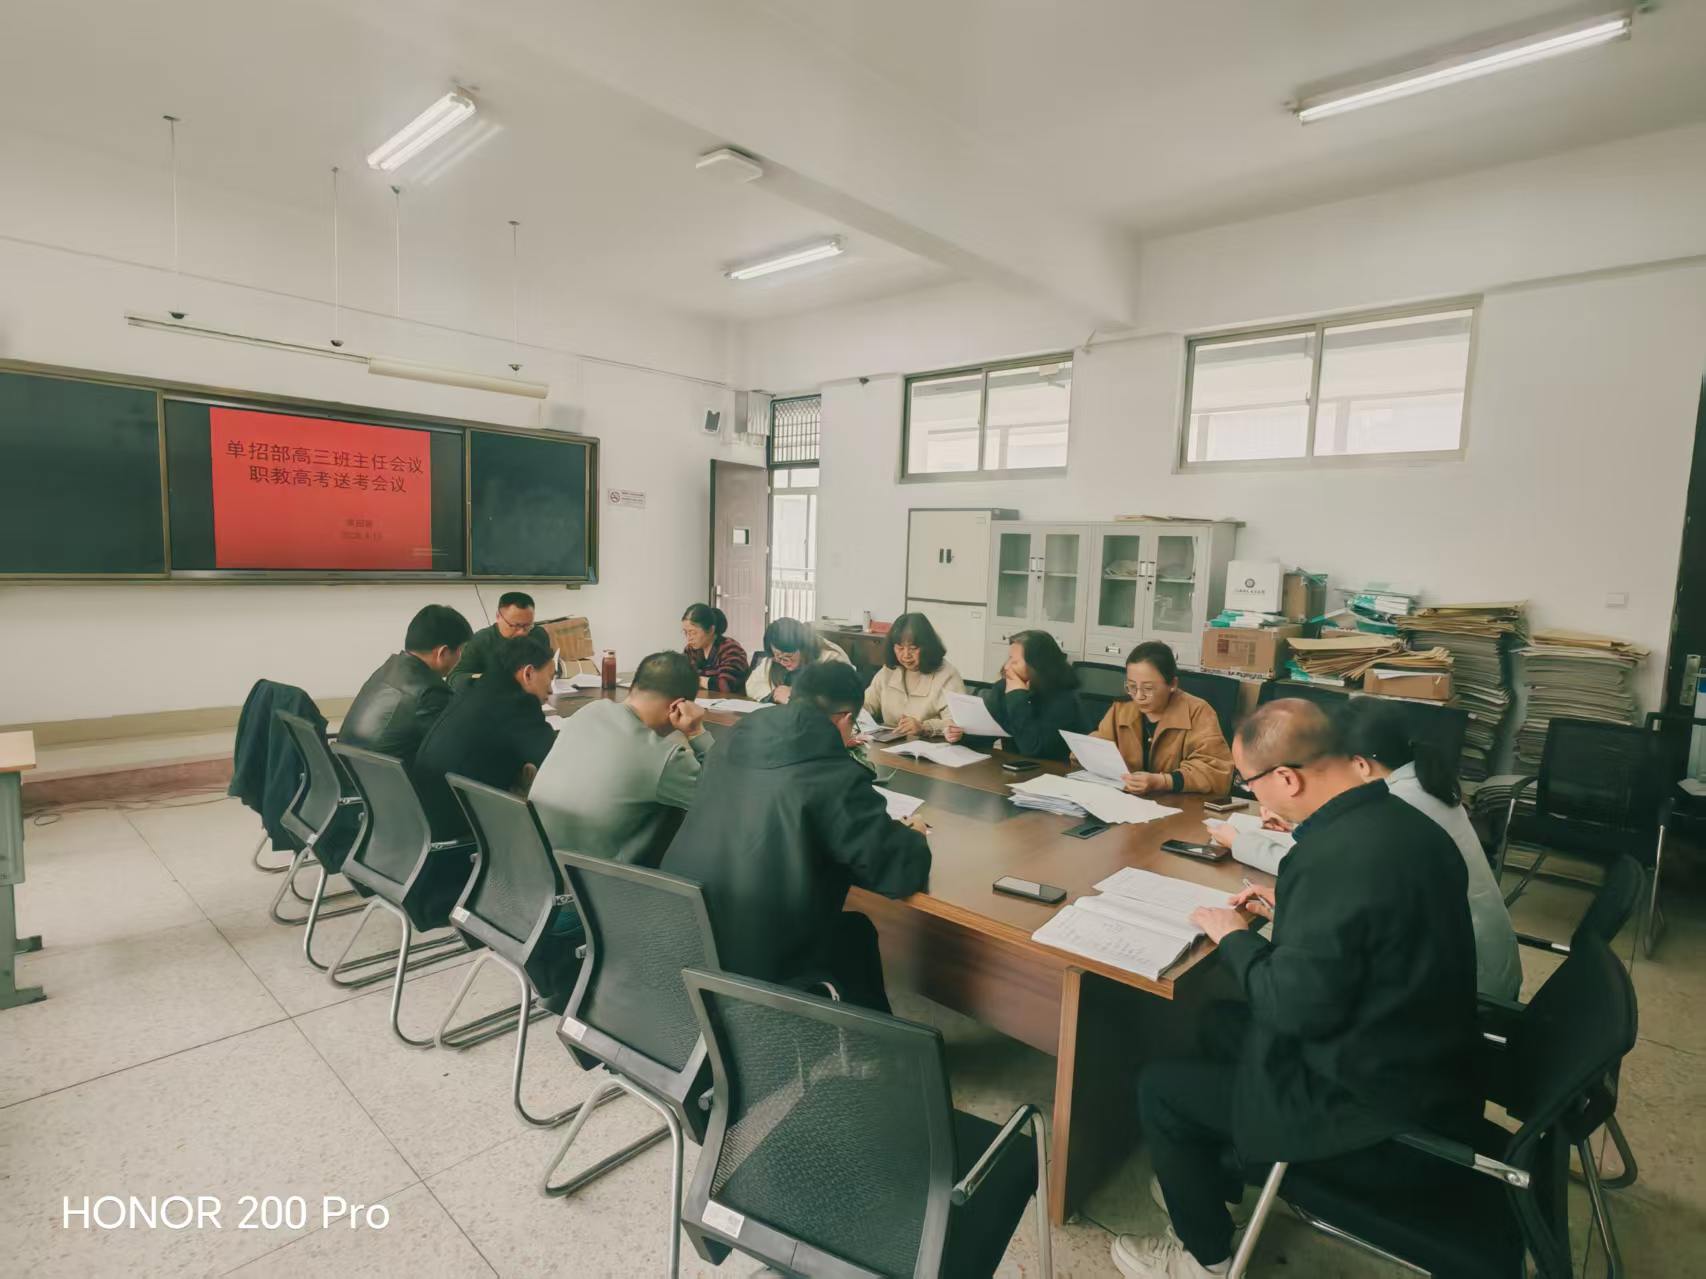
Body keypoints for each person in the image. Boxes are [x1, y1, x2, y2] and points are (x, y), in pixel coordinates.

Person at [1111, 699, 1480, 1279]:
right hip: (1419, 1051)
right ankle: (1214, 1184)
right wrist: (1298, 910)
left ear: (1286, 778)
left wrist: (1234, 935)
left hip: (1369, 1102)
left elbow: (1289, 1008)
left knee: (1160, 1088)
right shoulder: (1408, 824)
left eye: (1250, 783)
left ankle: (1205, 1258)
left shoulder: (1332, 857)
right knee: (1216, 1023)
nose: (1254, 797)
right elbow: (1374, 931)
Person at [1207, 698, 1520, 1001]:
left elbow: (1295, 1004)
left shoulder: (1386, 822)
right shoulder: (1410, 798)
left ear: (1358, 763)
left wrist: (1236, 937)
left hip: (1462, 989)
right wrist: (1297, 907)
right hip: (1441, 974)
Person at [663, 662, 930, 1012]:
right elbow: (897, 873)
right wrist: (914, 835)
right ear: (845, 719)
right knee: (855, 934)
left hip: (685, 930)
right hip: (758, 958)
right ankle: (865, 1043)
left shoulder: (732, 740)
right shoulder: (832, 772)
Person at [530, 650, 714, 867]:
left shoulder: (589, 711)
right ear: (677, 706)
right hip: (592, 878)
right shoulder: (665, 757)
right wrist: (696, 733)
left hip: (534, 861)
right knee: (676, 808)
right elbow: (726, 799)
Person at [411, 628, 558, 842]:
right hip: (461, 830)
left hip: (426, 818)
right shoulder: (517, 704)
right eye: (550, 678)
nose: (551, 690)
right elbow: (554, 763)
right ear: (527, 673)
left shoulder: (472, 688)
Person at [1090, 641, 1232, 796]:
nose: (1139, 696)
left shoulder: (1198, 711)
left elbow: (1215, 771)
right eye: (1132, 686)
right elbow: (1098, 745)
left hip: (1179, 804)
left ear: (1172, 684)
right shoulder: (1122, 708)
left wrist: (1163, 781)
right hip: (1127, 800)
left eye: (1148, 688)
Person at [339, 605, 473, 767]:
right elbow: (456, 746)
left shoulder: (388, 669)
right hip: (389, 779)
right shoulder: (431, 692)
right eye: (460, 650)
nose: (460, 657)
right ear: (442, 652)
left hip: (351, 771)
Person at [946, 629, 1082, 760]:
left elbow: (1033, 749)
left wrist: (1017, 696)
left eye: (1015, 661)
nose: (1007, 666)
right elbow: (986, 733)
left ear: (1037, 666)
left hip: (1053, 770)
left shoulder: (1064, 700)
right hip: (1013, 768)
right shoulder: (1004, 687)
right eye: (1009, 659)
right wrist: (961, 735)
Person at [862, 612, 965, 737]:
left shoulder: (947, 675)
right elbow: (867, 705)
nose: (906, 655)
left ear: (927, 647)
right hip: (891, 743)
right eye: (900, 648)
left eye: (913, 648)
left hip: (931, 744)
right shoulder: (889, 671)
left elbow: (957, 724)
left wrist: (924, 727)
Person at [744, 617, 852, 704]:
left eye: (788, 656)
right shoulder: (774, 659)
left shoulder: (830, 658)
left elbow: (842, 695)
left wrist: (797, 696)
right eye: (778, 657)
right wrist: (775, 694)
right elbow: (752, 685)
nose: (783, 662)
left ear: (802, 646)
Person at [447, 591, 537, 693]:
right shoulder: (480, 641)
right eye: (516, 626)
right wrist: (485, 678)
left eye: (528, 626)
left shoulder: (537, 635)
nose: (522, 632)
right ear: (498, 616)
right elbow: (454, 678)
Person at [680, 603, 749, 694]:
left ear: (711, 630)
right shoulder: (691, 650)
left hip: (732, 701)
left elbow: (726, 685)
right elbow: (680, 677)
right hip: (702, 699)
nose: (689, 638)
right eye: (685, 632)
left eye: (693, 632)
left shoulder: (730, 648)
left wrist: (695, 680)